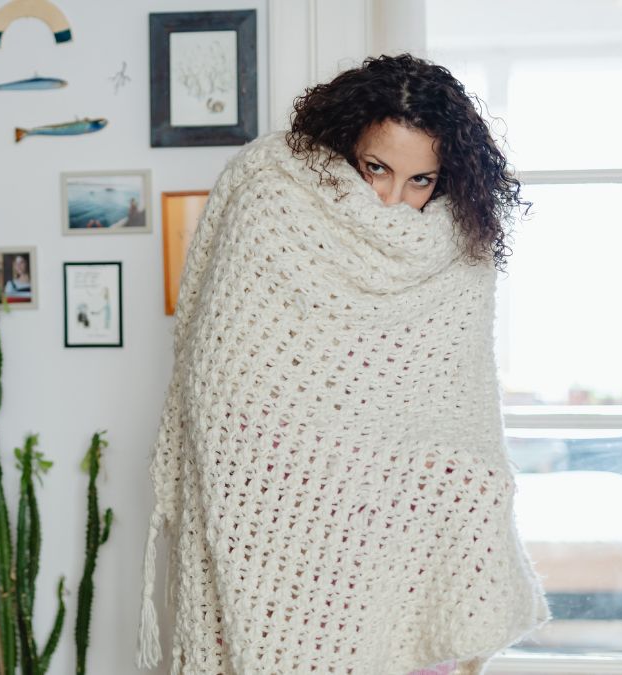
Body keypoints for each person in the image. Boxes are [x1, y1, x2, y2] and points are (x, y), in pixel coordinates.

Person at [137, 54, 550, 675]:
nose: (393, 201)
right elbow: (219, 384)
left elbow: (457, 408)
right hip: (278, 523)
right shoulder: (273, 195)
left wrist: (468, 485)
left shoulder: (462, 248)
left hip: (396, 539)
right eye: (377, 169)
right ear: (346, 142)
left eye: (421, 181)